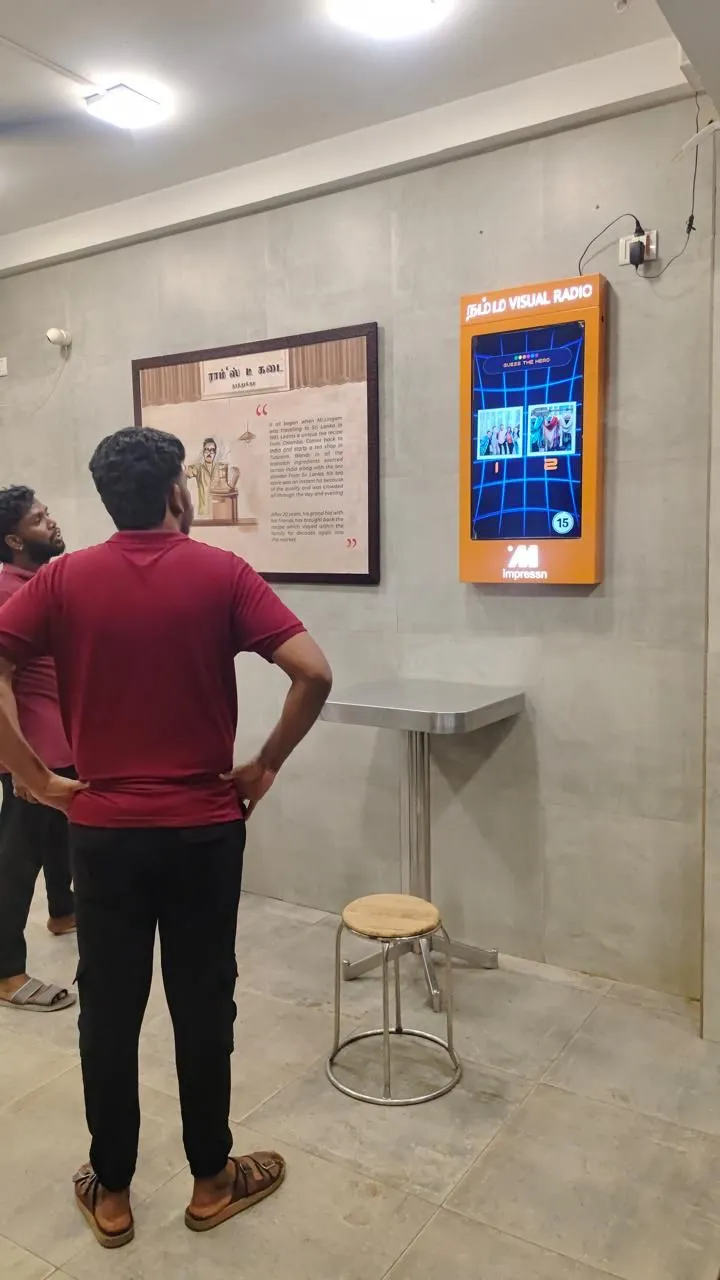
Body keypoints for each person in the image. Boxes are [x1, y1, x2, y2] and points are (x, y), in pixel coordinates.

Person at [0, 427, 332, 1249]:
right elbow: (314, 673)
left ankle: (111, 1193)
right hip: (205, 834)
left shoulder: (64, 579)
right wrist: (263, 766)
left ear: (109, 499)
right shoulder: (221, 573)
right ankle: (212, 1180)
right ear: (177, 492)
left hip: (104, 834)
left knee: (108, 1012)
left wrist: (34, 777)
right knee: (202, 1003)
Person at [0, 486, 76, 1013]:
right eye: (37, 519)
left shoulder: (36, 581)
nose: (50, 523)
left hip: (56, 739)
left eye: (47, 514)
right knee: (16, 860)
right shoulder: (8, 589)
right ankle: (6, 973)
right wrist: (19, 764)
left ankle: (63, 911)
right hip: (33, 747)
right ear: (12, 539)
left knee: (59, 832)